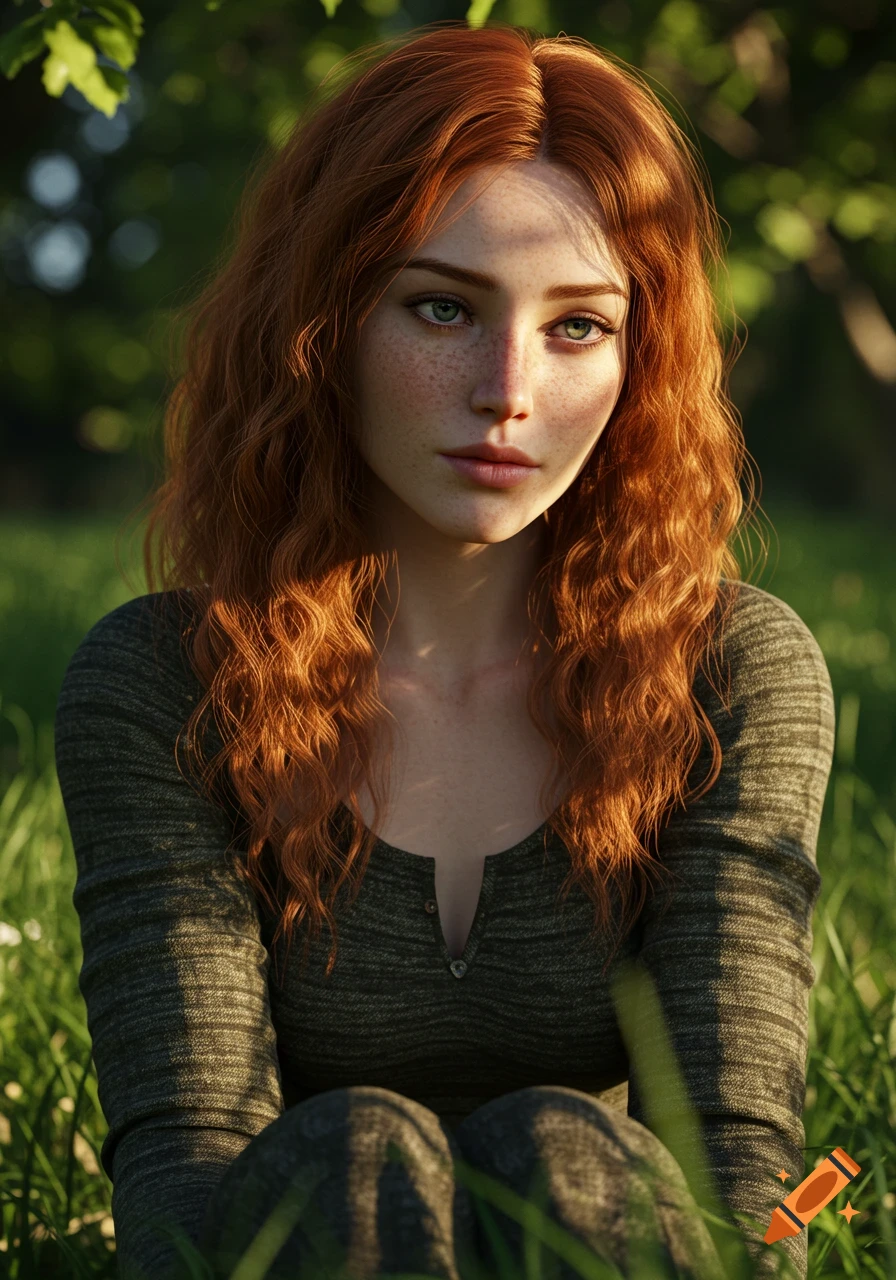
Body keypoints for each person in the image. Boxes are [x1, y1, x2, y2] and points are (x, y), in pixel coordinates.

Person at [54, 20, 835, 1280]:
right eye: (441, 307)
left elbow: (754, 1167)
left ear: (640, 360)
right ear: (321, 322)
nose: (506, 388)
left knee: (565, 1153)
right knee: (355, 1156)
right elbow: (183, 1158)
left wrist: (787, 1243)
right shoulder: (163, 683)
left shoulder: (729, 669)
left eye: (577, 327)